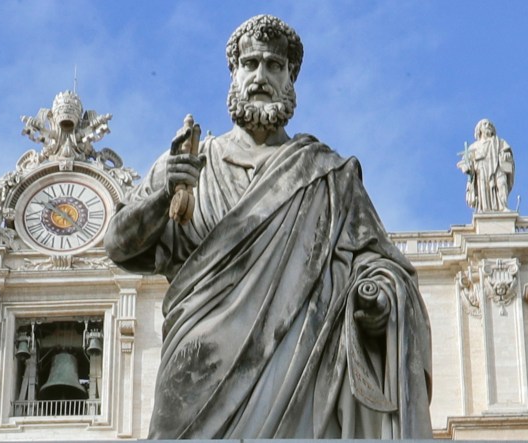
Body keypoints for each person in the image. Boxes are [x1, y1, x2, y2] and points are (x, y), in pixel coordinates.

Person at [104, 15, 432, 439]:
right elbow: (118, 246)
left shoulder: (327, 174)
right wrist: (164, 196)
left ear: (290, 80)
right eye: (250, 64)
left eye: (274, 66)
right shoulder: (188, 163)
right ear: (234, 74)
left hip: (293, 363)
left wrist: (378, 297)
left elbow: (378, 261)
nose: (261, 76)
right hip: (195, 368)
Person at [458, 119, 514, 212]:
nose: (488, 125)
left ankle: (503, 206)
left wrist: (506, 155)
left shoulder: (500, 142)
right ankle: (485, 209)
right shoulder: (474, 146)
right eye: (485, 124)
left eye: (490, 124)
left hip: (498, 166)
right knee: (484, 189)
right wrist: (467, 167)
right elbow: (466, 162)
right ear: (479, 129)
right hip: (482, 169)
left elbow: (507, 154)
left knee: (501, 184)